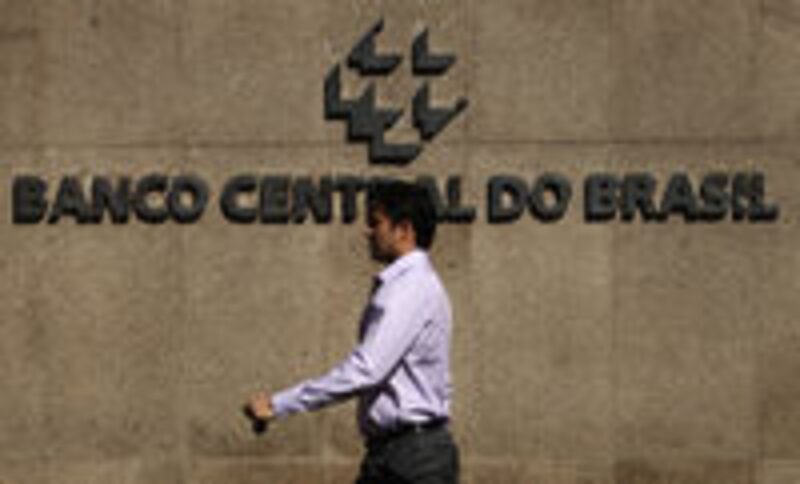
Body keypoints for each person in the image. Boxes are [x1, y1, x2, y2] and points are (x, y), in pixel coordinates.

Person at [245, 180, 459, 484]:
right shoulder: (415, 284)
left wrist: (279, 404)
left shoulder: (410, 287)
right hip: (400, 452)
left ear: (403, 229)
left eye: (376, 222)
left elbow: (366, 369)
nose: (367, 231)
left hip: (411, 458)